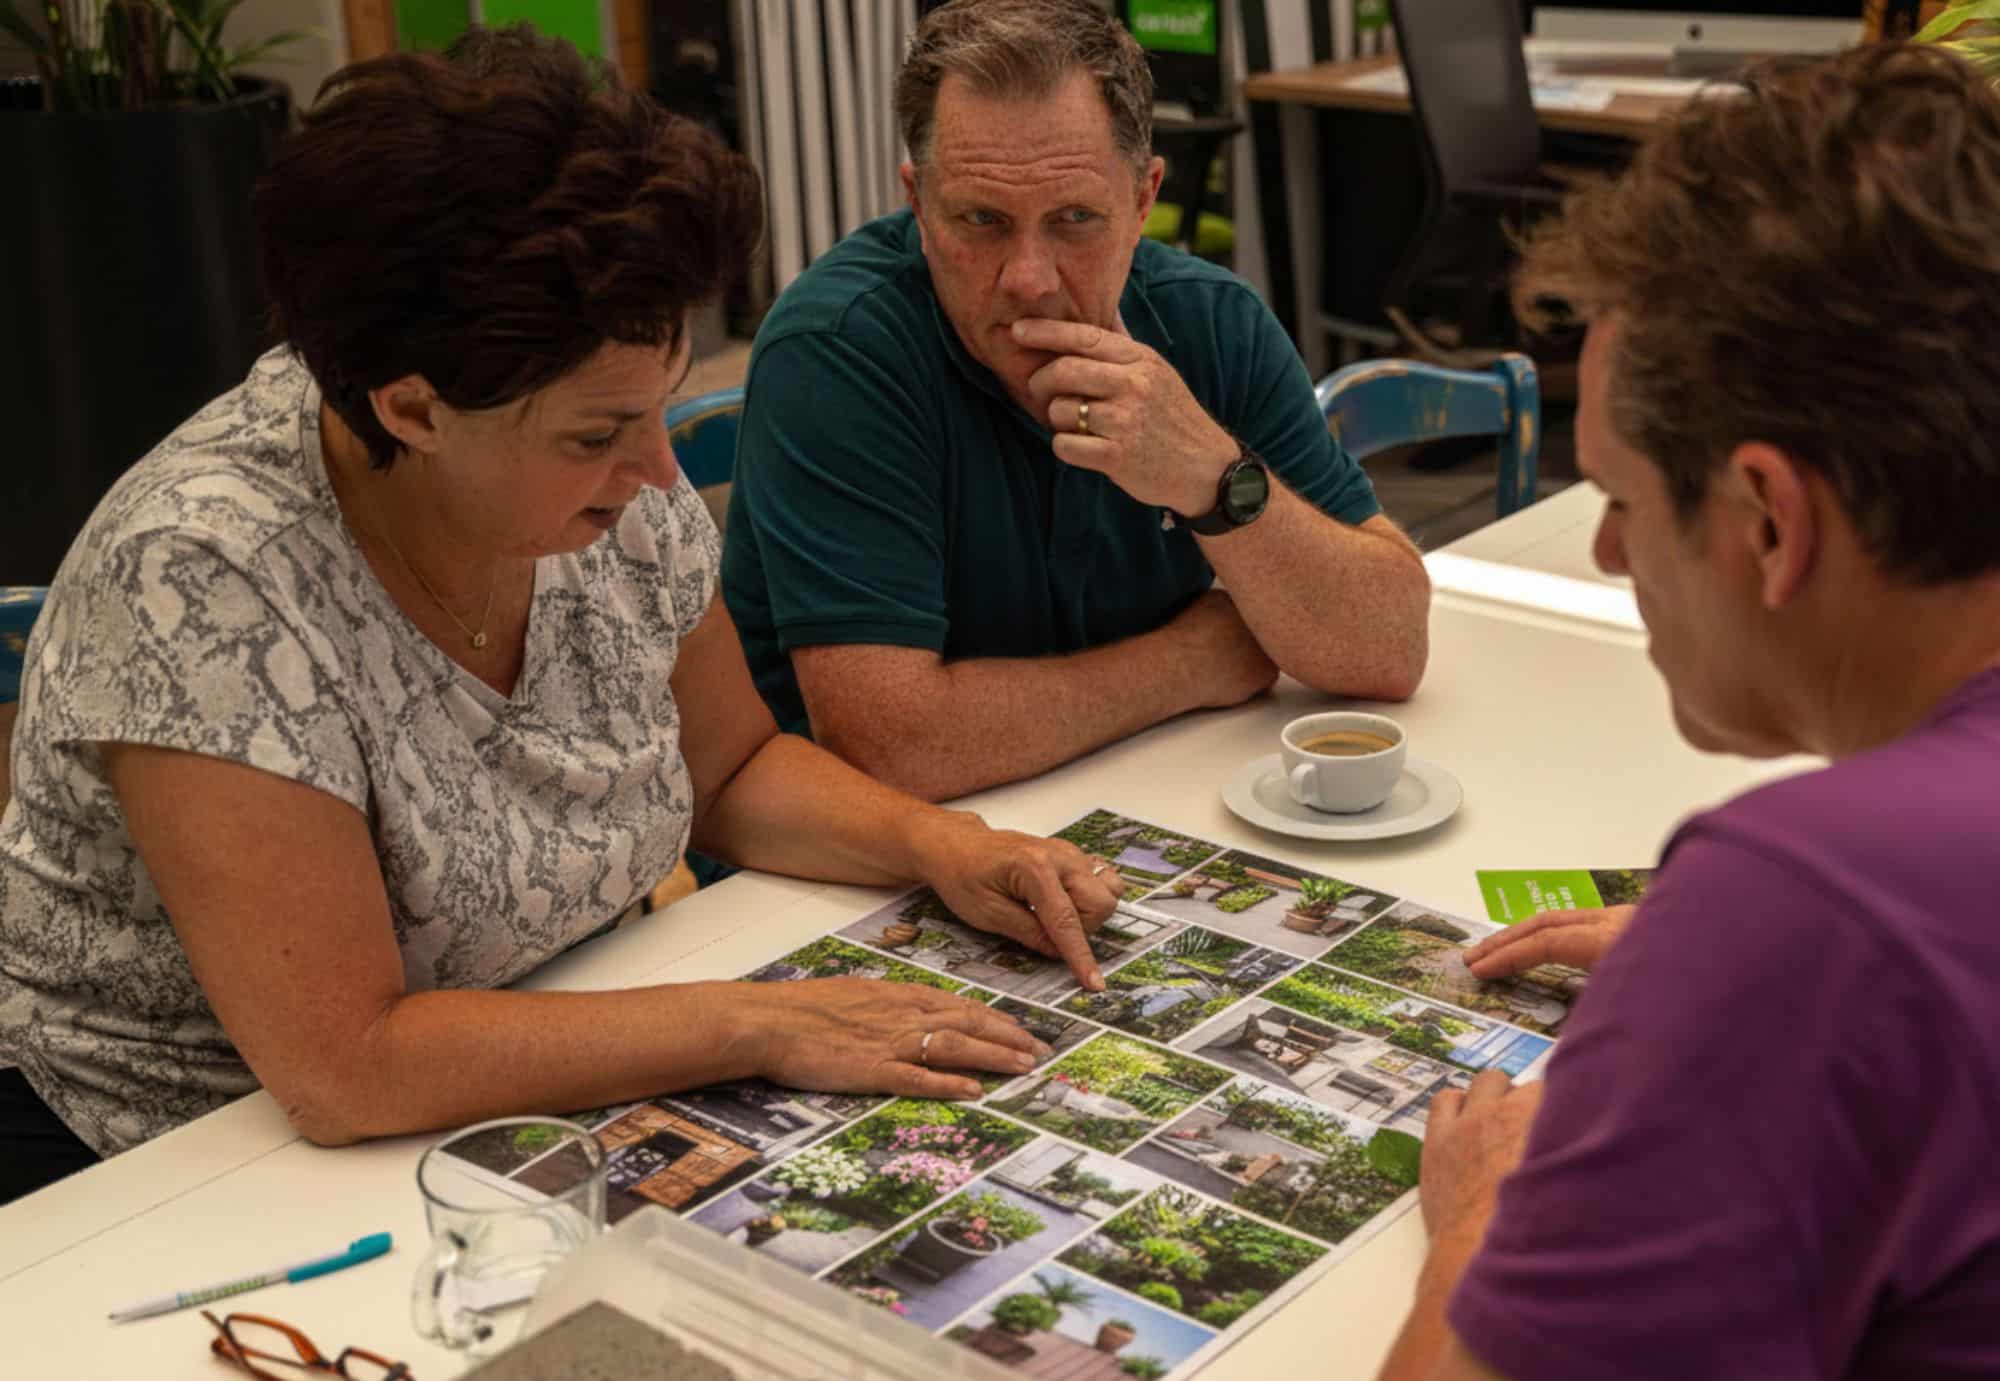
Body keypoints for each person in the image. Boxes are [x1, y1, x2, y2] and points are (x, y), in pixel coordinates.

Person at [0, 28, 1121, 1205]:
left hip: (521, 1055)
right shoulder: (204, 579)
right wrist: (759, 1024)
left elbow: (729, 767)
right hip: (163, 1164)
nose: (656, 471)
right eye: (595, 435)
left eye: (660, 408)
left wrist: (940, 847)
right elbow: (347, 1066)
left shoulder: (590, 483)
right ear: (413, 409)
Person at [1377, 45, 2000, 1380]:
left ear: (1769, 518)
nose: (1606, 556)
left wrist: (1487, 1208)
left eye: (1617, 498)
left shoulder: (1809, 909)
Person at [721, 0, 1431, 802]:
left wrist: (1215, 481)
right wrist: (1190, 661)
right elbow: (891, 744)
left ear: (1142, 201)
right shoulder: (838, 349)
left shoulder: (1211, 320)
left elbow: (1392, 645)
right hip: (828, 883)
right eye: (981, 220)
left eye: (1075, 220)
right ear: (917, 205)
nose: (1029, 276)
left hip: (1124, 800)